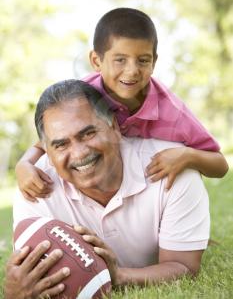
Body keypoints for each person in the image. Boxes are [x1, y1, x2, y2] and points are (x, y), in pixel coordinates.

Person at [6, 79, 210, 298]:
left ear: (113, 126)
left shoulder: (172, 169)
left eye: (88, 133)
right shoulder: (34, 189)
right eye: (61, 144)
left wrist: (118, 276)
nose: (79, 154)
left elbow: (184, 267)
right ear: (46, 150)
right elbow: (35, 275)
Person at [15, 7, 228, 202]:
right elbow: (47, 142)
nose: (132, 70)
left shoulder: (172, 112)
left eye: (143, 60)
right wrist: (23, 165)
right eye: (120, 60)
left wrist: (187, 155)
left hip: (147, 187)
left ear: (154, 62)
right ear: (96, 61)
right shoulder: (81, 98)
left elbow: (220, 165)